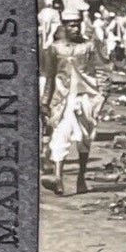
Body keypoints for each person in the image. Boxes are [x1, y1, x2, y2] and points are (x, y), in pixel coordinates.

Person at [42, 12, 106, 196]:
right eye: (70, 25)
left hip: (85, 97)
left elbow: (102, 71)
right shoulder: (55, 49)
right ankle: (58, 178)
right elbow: (50, 77)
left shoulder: (89, 46)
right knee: (60, 136)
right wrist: (45, 101)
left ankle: (81, 178)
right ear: (63, 26)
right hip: (62, 99)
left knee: (84, 138)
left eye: (77, 24)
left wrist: (102, 96)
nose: (75, 28)